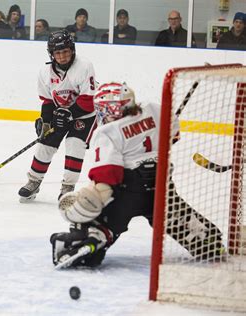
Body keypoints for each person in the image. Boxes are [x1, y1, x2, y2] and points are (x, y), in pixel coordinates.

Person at [52, 82, 223, 268]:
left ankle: (90, 241)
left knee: (102, 223)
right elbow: (173, 135)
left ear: (112, 110)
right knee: (176, 218)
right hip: (162, 186)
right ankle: (208, 239)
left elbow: (108, 175)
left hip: (128, 192)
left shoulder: (107, 132)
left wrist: (91, 199)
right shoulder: (153, 109)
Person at [18, 30, 97, 202]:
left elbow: (87, 101)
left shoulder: (84, 66)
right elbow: (47, 101)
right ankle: (33, 181)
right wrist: (46, 122)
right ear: (52, 54)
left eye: (65, 51)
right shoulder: (45, 72)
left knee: (75, 144)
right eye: (58, 53)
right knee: (45, 144)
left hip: (84, 115)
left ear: (72, 50)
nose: (62, 56)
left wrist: (68, 114)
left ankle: (68, 187)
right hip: (60, 112)